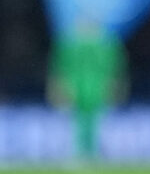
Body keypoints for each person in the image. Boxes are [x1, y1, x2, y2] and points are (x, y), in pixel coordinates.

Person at [48, 20, 126, 161]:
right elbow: (61, 69)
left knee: (93, 121)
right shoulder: (75, 46)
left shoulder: (104, 46)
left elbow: (114, 70)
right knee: (81, 121)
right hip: (84, 88)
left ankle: (91, 152)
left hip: (91, 88)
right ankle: (82, 152)